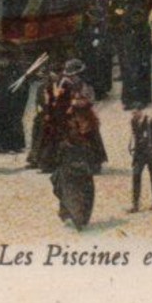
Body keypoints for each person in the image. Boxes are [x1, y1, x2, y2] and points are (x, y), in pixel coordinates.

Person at [53, 97, 102, 229]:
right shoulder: (88, 124)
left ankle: (74, 217)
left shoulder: (81, 126)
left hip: (75, 165)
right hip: (78, 165)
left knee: (72, 192)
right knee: (77, 192)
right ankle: (75, 217)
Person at [128, 109, 152, 213]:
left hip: (151, 154)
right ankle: (135, 204)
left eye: (136, 112)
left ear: (141, 112)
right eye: (132, 112)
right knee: (136, 176)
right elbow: (135, 137)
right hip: (139, 154)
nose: (133, 114)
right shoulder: (133, 121)